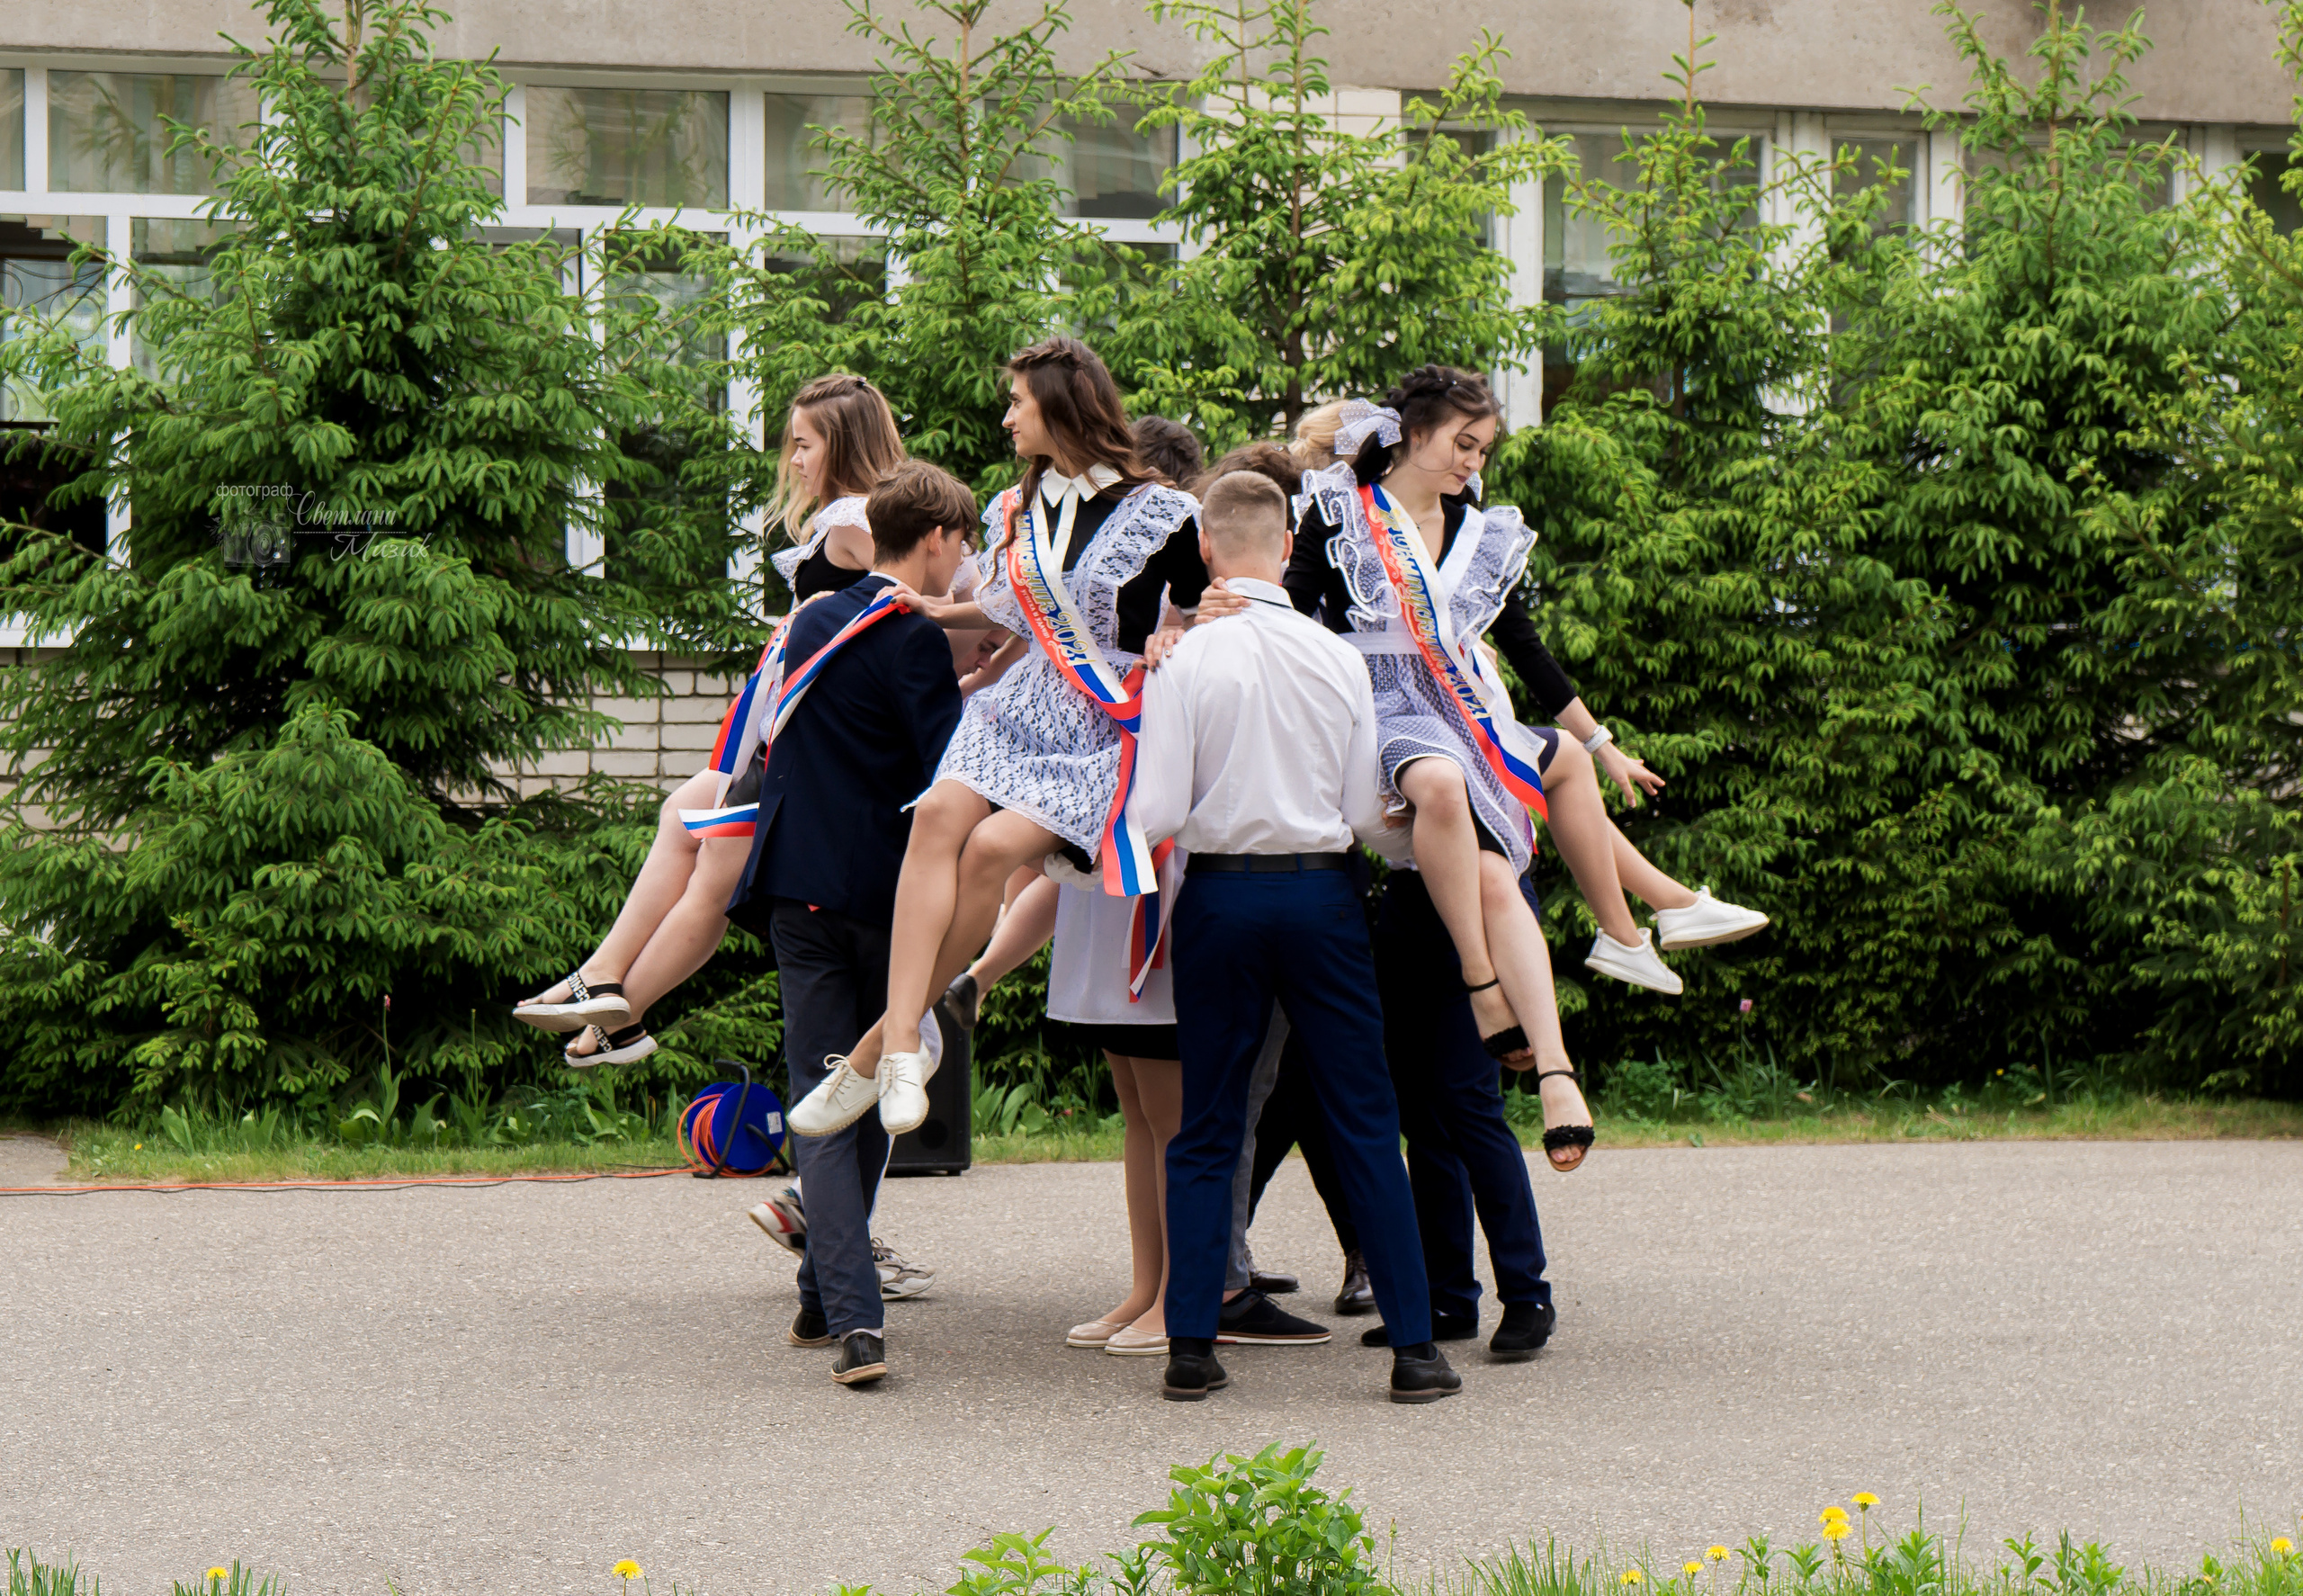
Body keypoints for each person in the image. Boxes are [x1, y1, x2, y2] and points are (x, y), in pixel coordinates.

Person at [783, 336, 1206, 1141]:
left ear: (1062, 403)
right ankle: (906, 1040)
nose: (1008, 416)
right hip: (1027, 698)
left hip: (1105, 721)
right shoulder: (1025, 503)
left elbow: (1209, 603)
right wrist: (944, 615)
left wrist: (1181, 625)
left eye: (1018, 401)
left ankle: (875, 1051)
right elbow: (1028, 612)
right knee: (939, 816)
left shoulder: (1168, 513)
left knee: (988, 851)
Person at [1135, 470, 1460, 1406]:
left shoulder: (1184, 660)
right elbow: (1365, 811)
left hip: (1221, 899)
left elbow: (1156, 807)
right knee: (1363, 1115)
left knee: (1207, 1122)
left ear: (1205, 550)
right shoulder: (1337, 658)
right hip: (1322, 895)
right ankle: (1415, 1350)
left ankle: (1191, 1345)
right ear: (1285, 549)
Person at [1285, 391, 1768, 1000]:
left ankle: (1628, 932)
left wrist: (1603, 744)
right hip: (1382, 717)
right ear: (1413, 432)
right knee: (1501, 784)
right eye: (1464, 445)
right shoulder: (1341, 512)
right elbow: (1291, 614)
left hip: (1460, 711)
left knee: (1565, 755)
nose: (1474, 464)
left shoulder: (1472, 529)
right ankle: (1595, 941)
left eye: (1483, 451)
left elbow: (1523, 644)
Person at [511, 373, 908, 1064]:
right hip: (795, 727)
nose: (795, 460)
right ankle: (607, 982)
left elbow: (915, 599)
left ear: (841, 445)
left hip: (825, 743)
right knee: (682, 815)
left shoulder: (857, 520)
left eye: (805, 444)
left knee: (715, 868)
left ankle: (620, 1013)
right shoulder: (847, 519)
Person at [721, 458, 980, 1386]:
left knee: (831, 1086)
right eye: (965, 543)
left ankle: (821, 1292)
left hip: (796, 886)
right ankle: (859, 1323)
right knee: (849, 1100)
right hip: (883, 896)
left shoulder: (816, 617)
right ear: (939, 537)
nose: (966, 561)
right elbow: (945, 774)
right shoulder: (912, 638)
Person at [1355, 865, 1558, 1360]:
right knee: (1422, 1116)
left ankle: (1527, 1294)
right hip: (1409, 903)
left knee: (1469, 1103)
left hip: (1486, 895)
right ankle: (1446, 1299)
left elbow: (1562, 792)